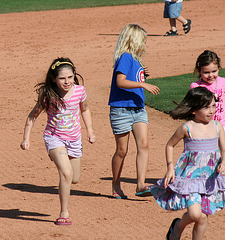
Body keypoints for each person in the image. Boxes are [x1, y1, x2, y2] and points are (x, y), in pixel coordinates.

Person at [20, 57, 96, 225]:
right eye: (62, 78)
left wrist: (90, 131)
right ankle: (64, 212)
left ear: (74, 75)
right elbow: (33, 116)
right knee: (66, 173)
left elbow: (85, 110)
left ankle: (63, 165)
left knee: (74, 178)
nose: (67, 81)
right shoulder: (48, 94)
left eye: (70, 77)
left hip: (74, 139)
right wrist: (26, 139)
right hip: (54, 137)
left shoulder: (79, 91)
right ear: (54, 78)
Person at [150, 87, 225, 240]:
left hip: (210, 179)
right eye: (206, 107)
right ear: (193, 109)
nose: (211, 111)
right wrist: (170, 168)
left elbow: (224, 149)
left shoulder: (217, 126)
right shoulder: (187, 128)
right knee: (194, 214)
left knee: (203, 217)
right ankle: (178, 225)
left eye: (212, 105)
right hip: (190, 178)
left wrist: (224, 161)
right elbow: (170, 145)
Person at [108, 24, 160, 199]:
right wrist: (143, 84)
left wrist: (142, 74)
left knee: (143, 144)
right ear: (134, 40)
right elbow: (120, 82)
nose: (145, 44)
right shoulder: (125, 57)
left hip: (138, 109)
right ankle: (116, 185)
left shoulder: (135, 60)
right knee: (122, 150)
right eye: (143, 40)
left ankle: (140, 185)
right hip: (122, 110)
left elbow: (130, 78)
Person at [190, 50, 225, 128]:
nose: (211, 75)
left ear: (219, 68)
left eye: (214, 71)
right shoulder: (196, 86)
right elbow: (192, 108)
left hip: (223, 125)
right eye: (206, 72)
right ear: (199, 71)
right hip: (205, 127)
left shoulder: (223, 82)